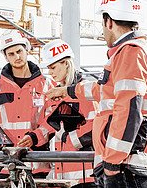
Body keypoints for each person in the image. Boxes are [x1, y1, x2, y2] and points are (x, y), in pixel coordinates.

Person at [45, 0, 147, 188]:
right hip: (130, 163)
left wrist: (112, 164)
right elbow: (105, 91)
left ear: (109, 22)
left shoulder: (130, 53)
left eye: (103, 23)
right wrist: (66, 92)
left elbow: (128, 110)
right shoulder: (135, 52)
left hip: (125, 167)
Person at [0, 29, 56, 178]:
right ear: (5, 57)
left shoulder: (47, 85)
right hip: (3, 164)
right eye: (11, 54)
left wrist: (35, 137)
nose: (17, 57)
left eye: (19, 51)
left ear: (27, 49)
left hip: (36, 163)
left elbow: (53, 120)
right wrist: (0, 141)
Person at [18, 39, 98, 187]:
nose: (50, 72)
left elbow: (96, 125)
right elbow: (49, 125)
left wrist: (71, 140)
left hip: (87, 176)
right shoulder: (56, 95)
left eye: (53, 67)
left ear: (66, 64)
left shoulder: (84, 91)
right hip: (63, 174)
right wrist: (33, 137)